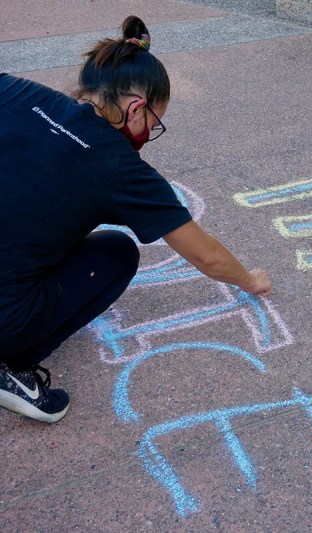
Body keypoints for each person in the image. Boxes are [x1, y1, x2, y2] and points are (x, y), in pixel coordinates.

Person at [0, 16, 271, 424]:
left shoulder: (18, 92)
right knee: (117, 253)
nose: (149, 132)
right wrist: (250, 280)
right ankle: (9, 368)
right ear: (137, 107)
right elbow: (208, 256)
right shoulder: (120, 167)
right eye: (154, 123)